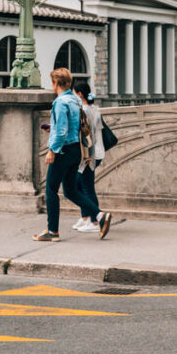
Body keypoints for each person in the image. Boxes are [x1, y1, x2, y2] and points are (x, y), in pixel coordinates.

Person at [34, 67, 112, 242]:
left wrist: (52, 150)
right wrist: (52, 129)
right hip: (76, 150)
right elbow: (71, 127)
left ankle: (52, 231)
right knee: (70, 190)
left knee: (51, 190)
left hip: (63, 151)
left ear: (55, 83)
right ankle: (100, 216)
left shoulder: (60, 102)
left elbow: (61, 131)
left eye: (52, 83)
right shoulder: (75, 101)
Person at [72, 80, 105, 233]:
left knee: (86, 187)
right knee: (80, 185)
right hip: (97, 152)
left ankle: (95, 221)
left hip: (89, 154)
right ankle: (86, 217)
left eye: (74, 94)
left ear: (79, 94)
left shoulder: (84, 110)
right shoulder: (94, 108)